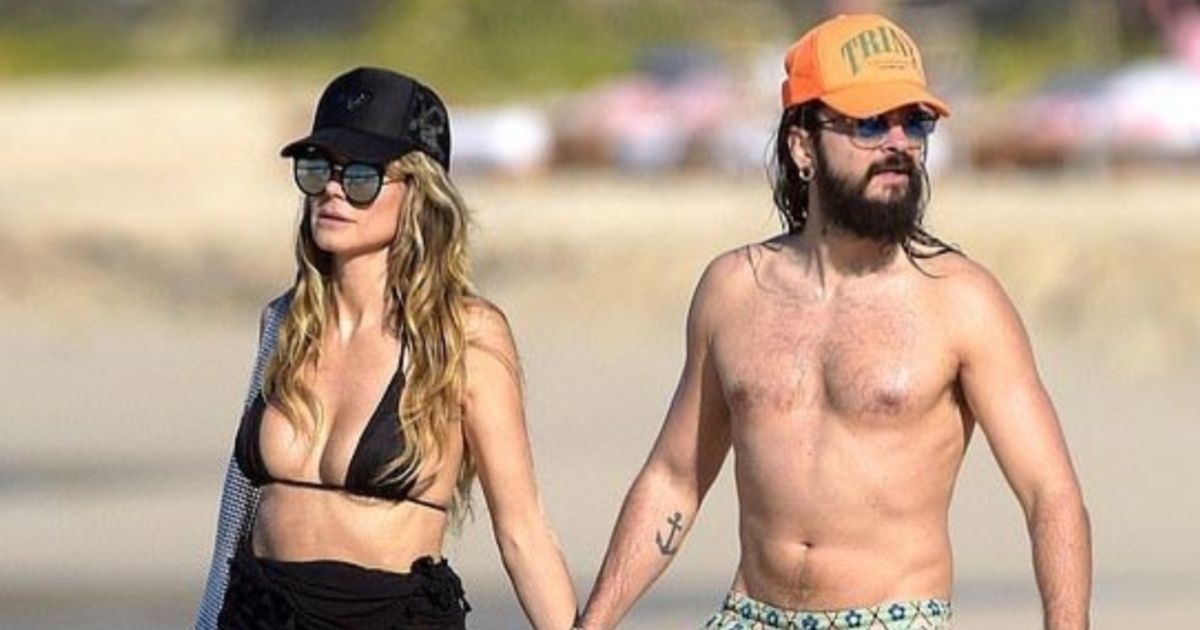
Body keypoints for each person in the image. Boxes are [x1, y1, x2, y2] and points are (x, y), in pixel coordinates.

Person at [576, 13, 1091, 630]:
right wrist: (592, 623)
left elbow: (1050, 494)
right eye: (870, 122)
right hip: (749, 616)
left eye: (914, 121)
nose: (898, 143)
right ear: (803, 146)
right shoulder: (732, 291)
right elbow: (673, 479)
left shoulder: (962, 302)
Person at [194, 67, 577, 630]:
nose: (332, 189)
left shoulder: (465, 335)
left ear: (418, 192)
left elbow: (523, 531)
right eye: (318, 168)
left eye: (361, 176)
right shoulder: (285, 321)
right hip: (258, 614)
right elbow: (238, 508)